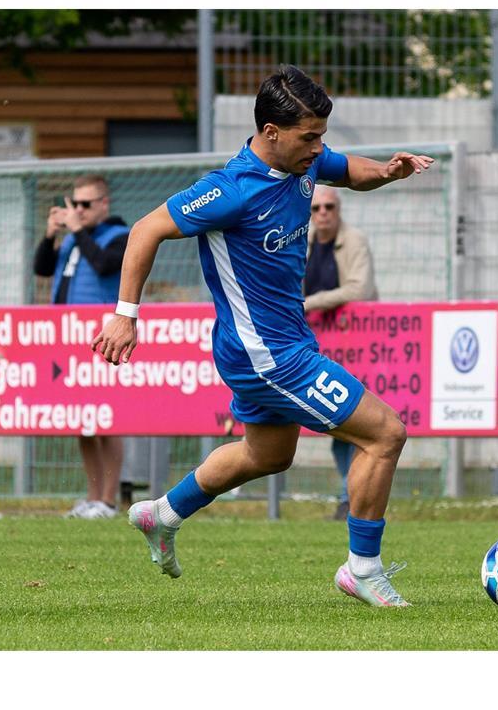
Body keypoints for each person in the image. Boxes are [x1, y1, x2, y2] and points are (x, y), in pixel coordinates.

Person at [92, 65, 433, 607]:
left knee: (268, 455)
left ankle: (163, 514)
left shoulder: (305, 159)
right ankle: (362, 569)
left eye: (322, 135)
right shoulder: (230, 190)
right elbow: (146, 229)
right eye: (310, 137)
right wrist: (125, 314)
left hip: (273, 345)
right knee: (385, 433)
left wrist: (390, 172)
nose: (319, 147)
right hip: (267, 354)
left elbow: (352, 172)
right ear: (271, 131)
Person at [34, 174, 130, 519]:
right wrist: (51, 234)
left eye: (86, 205)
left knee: (106, 419)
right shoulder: (75, 240)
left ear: (104, 203)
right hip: (67, 338)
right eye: (75, 204)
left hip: (103, 339)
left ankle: (108, 499)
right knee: (82, 420)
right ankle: (92, 497)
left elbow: (105, 264)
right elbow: (42, 267)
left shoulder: (119, 235)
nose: (79, 210)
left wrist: (76, 231)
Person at [303, 185, 379, 521]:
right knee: (337, 430)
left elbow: (359, 289)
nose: (322, 214)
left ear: (338, 209)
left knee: (357, 427)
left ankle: (352, 500)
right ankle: (350, 497)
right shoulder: (299, 242)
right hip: (312, 348)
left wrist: (309, 304)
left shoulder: (355, 240)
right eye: (316, 208)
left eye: (329, 207)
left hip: (357, 348)